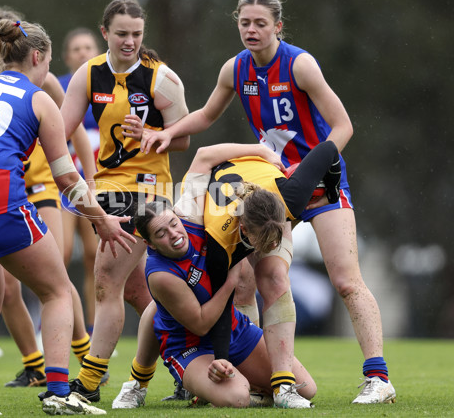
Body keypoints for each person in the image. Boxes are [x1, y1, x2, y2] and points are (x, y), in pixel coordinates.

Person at [141, 0, 396, 404]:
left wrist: (306, 167)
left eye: (260, 23)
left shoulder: (301, 65)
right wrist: (167, 133)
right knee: (256, 279)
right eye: (245, 23)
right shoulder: (235, 69)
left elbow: (343, 127)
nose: (251, 30)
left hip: (319, 182)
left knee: (346, 280)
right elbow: (205, 115)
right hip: (269, 189)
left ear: (278, 26)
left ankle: (378, 377)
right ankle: (268, 380)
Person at [0, 18, 134, 415]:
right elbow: (66, 178)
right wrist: (101, 219)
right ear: (39, 57)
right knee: (59, 292)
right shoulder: (39, 97)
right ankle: (59, 393)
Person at [112, 140, 340, 409]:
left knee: (307, 390)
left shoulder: (285, 199)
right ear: (149, 243)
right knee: (236, 396)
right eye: (161, 234)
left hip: (231, 327)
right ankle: (138, 382)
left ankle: (277, 384)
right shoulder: (189, 249)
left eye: (173, 225)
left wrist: (264, 152)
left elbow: (329, 149)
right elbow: (201, 324)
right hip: (189, 342)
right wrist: (231, 281)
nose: (174, 235)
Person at [60, 0, 190, 401]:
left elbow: (184, 137)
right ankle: (187, 363)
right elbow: (59, 132)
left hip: (148, 192)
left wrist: (152, 134)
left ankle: (90, 381)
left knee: (105, 282)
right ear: (105, 33)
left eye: (136, 34)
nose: (130, 41)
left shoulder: (161, 78)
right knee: (137, 293)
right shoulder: (88, 74)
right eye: (121, 34)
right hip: (105, 190)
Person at [0, 6, 100, 387]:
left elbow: (68, 130)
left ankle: (86, 359)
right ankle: (37, 366)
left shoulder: (39, 84)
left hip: (35, 185)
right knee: (7, 289)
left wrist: (90, 179)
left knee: (52, 273)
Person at [57, 28, 102, 331]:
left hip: (97, 181)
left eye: (88, 47)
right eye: (76, 48)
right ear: (66, 56)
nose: (83, 52)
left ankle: (96, 325)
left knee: (93, 256)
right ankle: (51, 322)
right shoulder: (57, 87)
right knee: (59, 254)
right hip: (63, 180)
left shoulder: (108, 87)